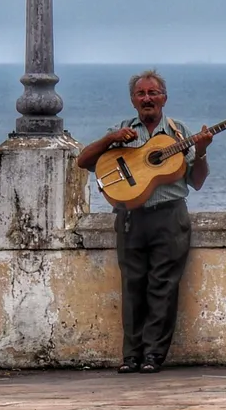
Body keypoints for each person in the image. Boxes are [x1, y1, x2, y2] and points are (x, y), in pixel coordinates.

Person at [76, 69, 213, 375]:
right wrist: (111, 139)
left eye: (153, 93)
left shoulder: (180, 133)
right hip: (130, 218)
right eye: (141, 94)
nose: (147, 98)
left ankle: (153, 355)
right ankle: (131, 355)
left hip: (170, 215)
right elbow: (84, 161)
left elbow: (198, 182)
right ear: (133, 100)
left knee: (163, 286)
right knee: (133, 286)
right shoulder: (122, 130)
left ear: (164, 98)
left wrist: (201, 153)